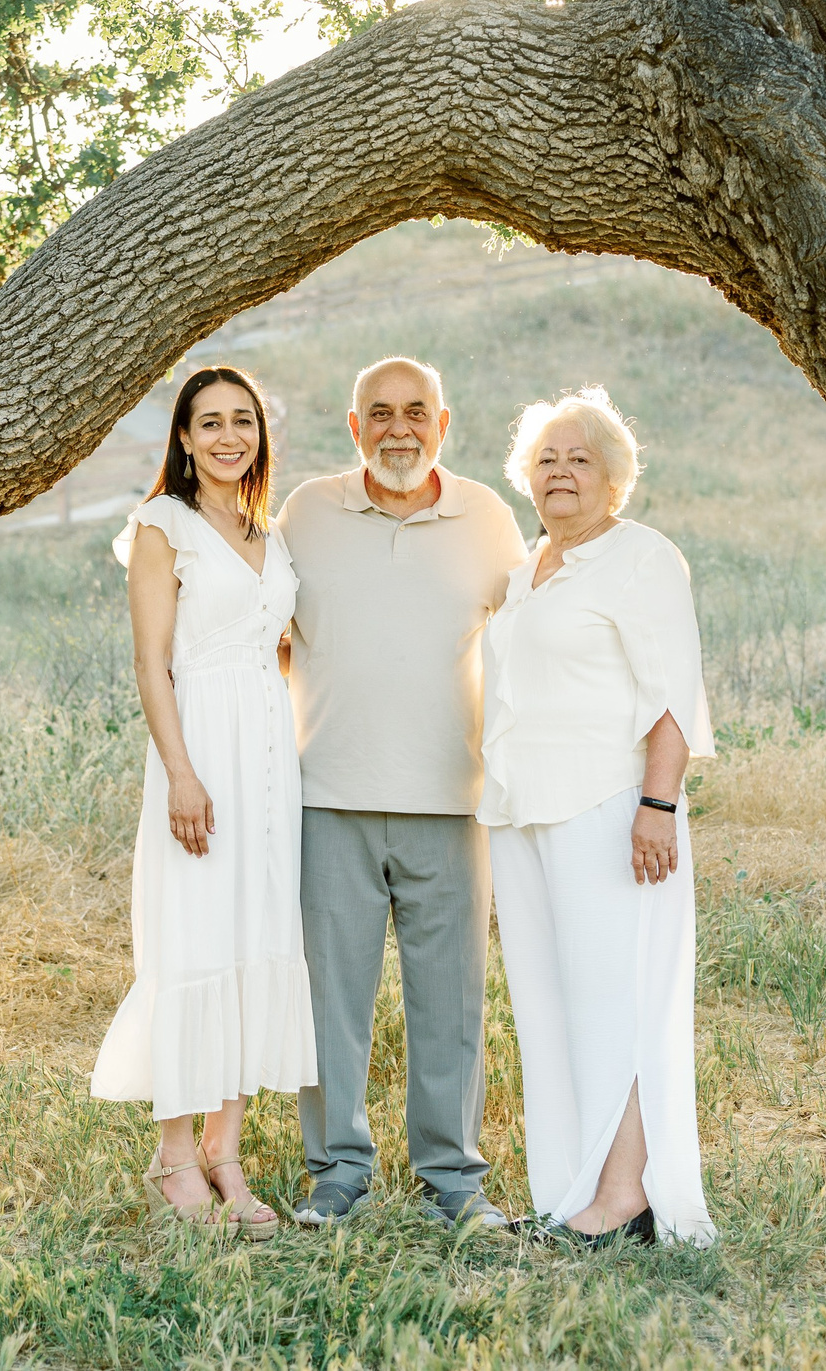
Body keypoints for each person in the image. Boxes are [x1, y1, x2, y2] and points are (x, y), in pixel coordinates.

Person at [276, 356, 529, 1229]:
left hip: (452, 800)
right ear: (354, 427)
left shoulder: (487, 518)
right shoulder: (307, 512)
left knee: (451, 1002)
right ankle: (337, 1172)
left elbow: (534, 635)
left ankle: (453, 1178)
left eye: (416, 411)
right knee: (330, 1003)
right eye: (379, 412)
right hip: (327, 796)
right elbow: (264, 626)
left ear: (443, 424)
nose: (398, 428)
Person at [479, 385, 716, 1248]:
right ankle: (571, 1193)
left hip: (611, 811)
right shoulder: (525, 571)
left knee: (619, 1002)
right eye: (546, 458)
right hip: (521, 815)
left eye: (580, 458)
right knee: (551, 1009)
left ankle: (625, 1200)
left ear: (614, 477)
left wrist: (658, 803)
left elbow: (673, 693)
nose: (561, 471)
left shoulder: (642, 557)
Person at [91, 365, 315, 1240]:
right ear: (183, 437)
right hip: (200, 752)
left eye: (243, 420)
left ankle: (227, 1151)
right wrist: (182, 771)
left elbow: (275, 646)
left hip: (270, 759)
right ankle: (174, 1153)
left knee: (255, 937)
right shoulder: (164, 525)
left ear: (262, 434)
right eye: (210, 422)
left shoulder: (270, 532)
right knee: (194, 938)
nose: (229, 436)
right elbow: (153, 662)